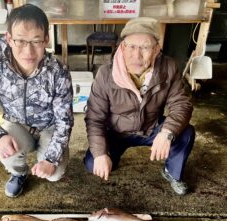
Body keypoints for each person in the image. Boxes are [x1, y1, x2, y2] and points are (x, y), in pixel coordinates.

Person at [0, 4, 73, 198]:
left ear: (46, 40)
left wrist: (51, 160)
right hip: (17, 124)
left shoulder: (58, 71)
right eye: (20, 41)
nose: (28, 51)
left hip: (48, 127)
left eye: (36, 41)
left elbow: (64, 121)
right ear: (9, 38)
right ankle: (19, 173)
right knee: (8, 153)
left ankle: (48, 158)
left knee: (55, 173)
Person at [84, 17, 195, 195]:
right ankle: (111, 156)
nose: (137, 55)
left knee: (186, 133)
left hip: (151, 128)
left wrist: (166, 132)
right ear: (122, 47)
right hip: (116, 132)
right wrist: (100, 154)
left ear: (157, 49)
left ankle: (171, 172)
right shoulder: (105, 74)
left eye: (145, 47)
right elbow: (94, 117)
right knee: (93, 164)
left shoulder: (168, 67)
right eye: (132, 47)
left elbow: (181, 103)